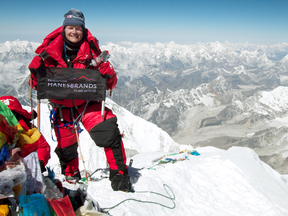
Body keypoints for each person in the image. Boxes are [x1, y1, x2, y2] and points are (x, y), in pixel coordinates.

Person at [28, 8, 131, 192]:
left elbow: (110, 83)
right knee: (66, 147)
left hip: (87, 104)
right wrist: (35, 74)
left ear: (83, 30)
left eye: (78, 28)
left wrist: (108, 75)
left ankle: (119, 174)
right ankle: (71, 177)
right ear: (63, 29)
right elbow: (38, 85)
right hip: (62, 106)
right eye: (70, 27)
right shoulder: (48, 53)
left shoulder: (93, 52)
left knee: (107, 130)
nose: (74, 31)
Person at [0, 96, 51, 172]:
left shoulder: (30, 130)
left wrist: (40, 161)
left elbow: (42, 146)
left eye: (12, 114)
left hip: (27, 171)